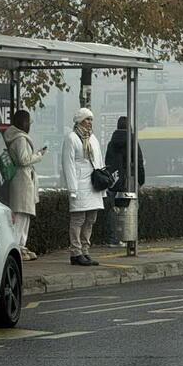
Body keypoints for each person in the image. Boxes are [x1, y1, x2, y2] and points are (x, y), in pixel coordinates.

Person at [61, 107, 106, 266]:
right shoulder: (71, 138)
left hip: (93, 184)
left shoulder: (93, 138)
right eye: (87, 119)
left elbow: (99, 162)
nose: (89, 122)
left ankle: (85, 250)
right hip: (79, 184)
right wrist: (72, 188)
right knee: (78, 218)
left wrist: (103, 185)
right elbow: (68, 165)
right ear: (79, 121)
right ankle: (75, 251)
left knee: (91, 218)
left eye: (91, 119)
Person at [5, 109, 46, 261]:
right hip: (22, 180)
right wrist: (39, 155)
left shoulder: (14, 137)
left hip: (22, 180)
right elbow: (23, 160)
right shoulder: (20, 139)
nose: (30, 125)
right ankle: (17, 247)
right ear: (24, 122)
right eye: (29, 122)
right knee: (21, 216)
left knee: (24, 215)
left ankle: (21, 246)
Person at [104, 116, 146, 246]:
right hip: (130, 180)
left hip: (114, 180)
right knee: (130, 207)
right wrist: (141, 180)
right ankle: (129, 237)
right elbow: (139, 162)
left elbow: (107, 162)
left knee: (113, 209)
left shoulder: (112, 143)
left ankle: (114, 238)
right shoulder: (133, 141)